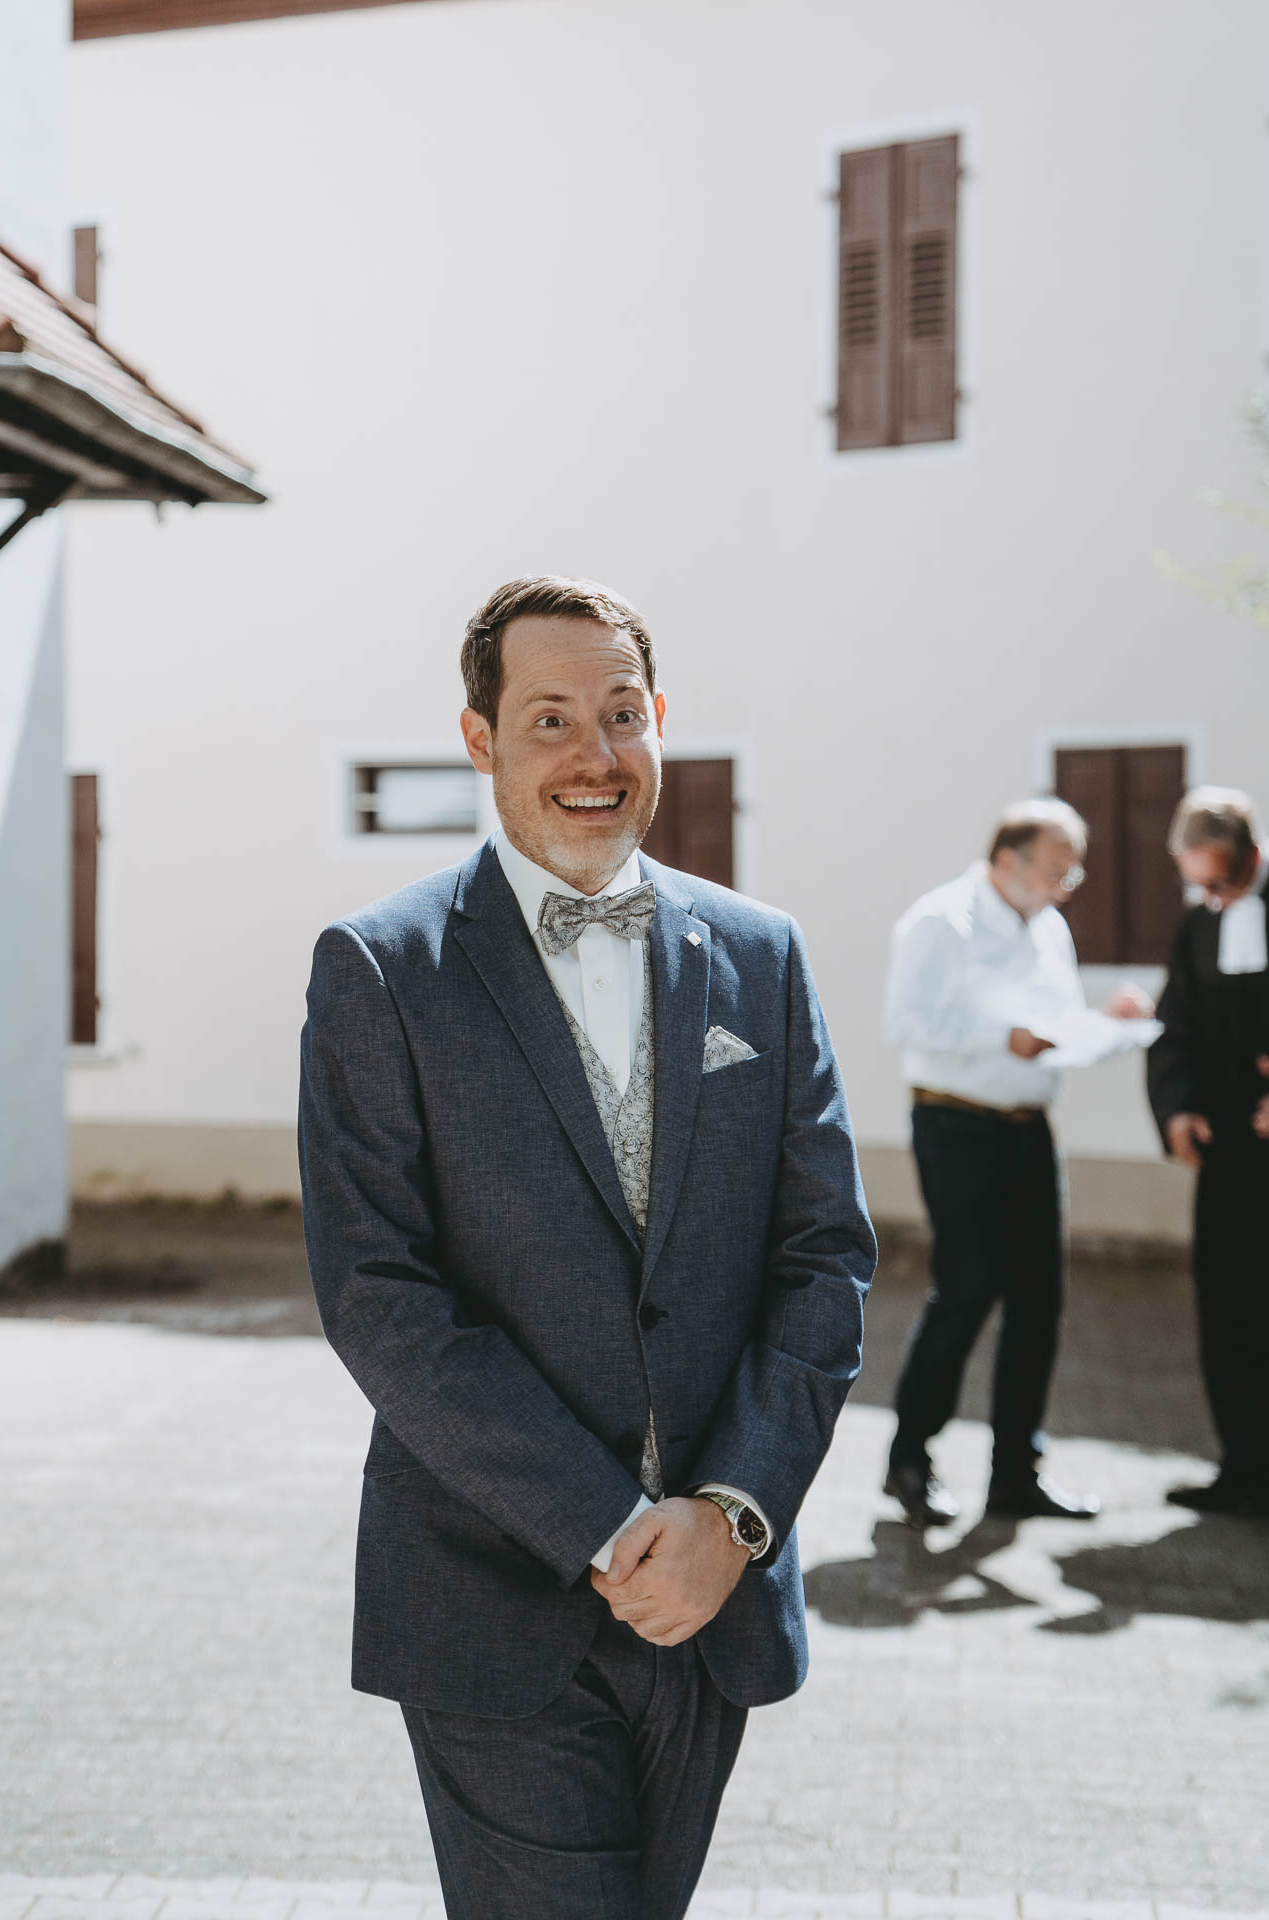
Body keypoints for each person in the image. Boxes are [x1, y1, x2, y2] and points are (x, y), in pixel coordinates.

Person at [298, 575, 876, 1920]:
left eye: (621, 713)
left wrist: (731, 1518)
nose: (593, 755)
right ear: (480, 738)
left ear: (660, 720)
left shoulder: (762, 956)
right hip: (490, 1594)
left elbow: (823, 1259)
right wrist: (610, 1528)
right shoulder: (381, 969)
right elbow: (379, 1297)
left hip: (712, 1602)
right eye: (549, 718)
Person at [882, 800, 1153, 1528]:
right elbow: (907, 1022)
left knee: (1040, 1300)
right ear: (1007, 859)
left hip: (1030, 1129)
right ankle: (909, 1460)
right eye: (1057, 869)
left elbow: (1054, 1029)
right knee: (966, 1291)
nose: (1067, 885)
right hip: (956, 1124)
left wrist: (1106, 1025)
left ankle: (1015, 1475)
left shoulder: (1049, 928)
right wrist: (1005, 1037)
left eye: (1074, 872)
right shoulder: (942, 921)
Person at [1147, 786, 1269, 1517]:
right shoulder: (1198, 927)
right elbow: (1175, 1027)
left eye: (1220, 882)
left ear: (1252, 855)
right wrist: (1178, 1108)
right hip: (1228, 1152)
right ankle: (1244, 1470)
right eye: (1198, 885)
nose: (1210, 898)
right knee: (1227, 1309)